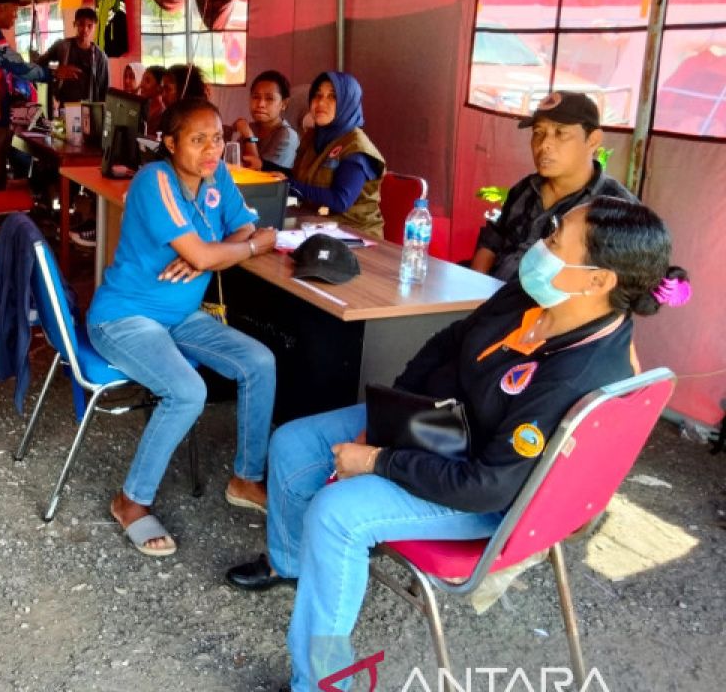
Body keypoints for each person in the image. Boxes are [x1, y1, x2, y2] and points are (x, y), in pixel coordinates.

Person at [224, 197, 689, 692]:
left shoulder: (578, 372)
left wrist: (380, 459)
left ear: (598, 280)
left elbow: (489, 485)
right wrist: (389, 416)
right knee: (293, 443)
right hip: (442, 427)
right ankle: (293, 563)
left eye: (556, 240)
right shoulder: (537, 297)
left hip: (488, 488)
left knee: (335, 513)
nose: (540, 247)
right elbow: (449, 340)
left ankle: (320, 682)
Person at [86, 98, 280, 557]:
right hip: (125, 317)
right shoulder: (156, 180)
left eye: (216, 138)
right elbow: (247, 241)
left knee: (260, 362)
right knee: (188, 391)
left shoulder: (217, 176)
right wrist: (244, 250)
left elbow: (242, 228)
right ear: (170, 143)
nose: (211, 149)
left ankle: (245, 478)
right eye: (197, 140)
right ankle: (130, 501)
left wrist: (210, 254)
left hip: (181, 317)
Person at [472, 91, 636, 281]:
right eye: (538, 133)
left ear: (593, 140)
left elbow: (618, 289)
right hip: (491, 298)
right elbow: (492, 241)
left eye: (561, 133)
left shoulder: (617, 209)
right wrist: (478, 290)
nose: (544, 145)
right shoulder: (526, 188)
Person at [288, 71, 386, 239]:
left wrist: (289, 185)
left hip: (355, 235)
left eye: (332, 96)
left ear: (347, 102)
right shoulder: (312, 137)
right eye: (317, 95)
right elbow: (298, 178)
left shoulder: (357, 147)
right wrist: (269, 174)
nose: (321, 102)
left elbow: (340, 200)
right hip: (317, 226)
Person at [39, 7, 110, 105]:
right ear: (74, 24)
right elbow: (40, 64)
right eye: (81, 24)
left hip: (89, 110)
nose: (85, 29)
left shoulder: (100, 57)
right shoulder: (61, 47)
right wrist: (56, 69)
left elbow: (104, 90)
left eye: (90, 25)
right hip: (64, 107)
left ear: (95, 27)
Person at [233, 70, 300, 173]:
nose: (261, 104)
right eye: (256, 97)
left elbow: (260, 175)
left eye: (269, 99)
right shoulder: (252, 127)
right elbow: (234, 163)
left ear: (284, 104)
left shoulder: (287, 136)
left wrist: (249, 137)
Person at [140, 64, 167, 136]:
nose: (141, 85)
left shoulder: (162, 114)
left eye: (147, 81)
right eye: (142, 80)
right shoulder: (142, 106)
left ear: (159, 86)